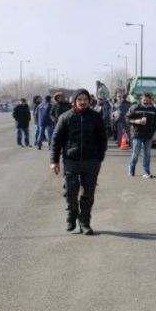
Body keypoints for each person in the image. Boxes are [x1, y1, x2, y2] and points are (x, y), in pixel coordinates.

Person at [50, 88, 107, 235]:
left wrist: (99, 157)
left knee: (88, 194)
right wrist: (54, 161)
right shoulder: (65, 117)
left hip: (91, 162)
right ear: (74, 101)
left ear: (89, 101)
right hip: (71, 161)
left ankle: (84, 222)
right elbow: (56, 140)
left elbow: (102, 138)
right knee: (70, 192)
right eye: (80, 99)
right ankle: (72, 215)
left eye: (85, 99)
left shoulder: (95, 117)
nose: (83, 102)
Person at [126, 92, 156, 178]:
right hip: (137, 134)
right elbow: (127, 118)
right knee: (135, 153)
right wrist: (137, 121)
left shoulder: (153, 109)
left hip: (148, 135)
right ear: (141, 99)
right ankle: (131, 168)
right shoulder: (135, 107)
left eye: (148, 99)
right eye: (144, 99)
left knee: (147, 154)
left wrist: (154, 133)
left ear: (150, 99)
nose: (146, 100)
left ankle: (146, 172)